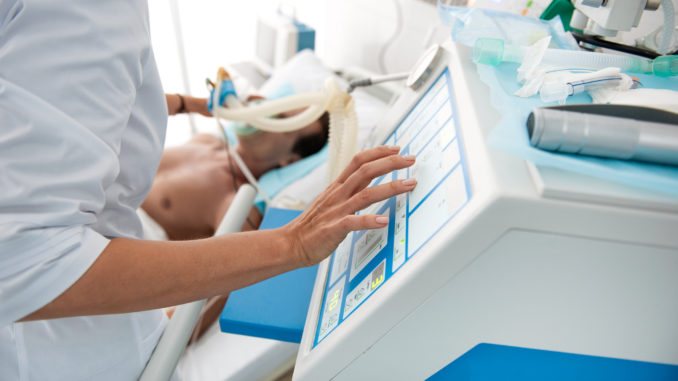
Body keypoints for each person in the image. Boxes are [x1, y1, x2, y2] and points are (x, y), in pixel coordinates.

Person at [0, 1, 416, 380]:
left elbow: (211, 290)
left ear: (289, 158)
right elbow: (91, 105)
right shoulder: (207, 142)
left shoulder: (238, 202)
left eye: (286, 116)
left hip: (102, 275)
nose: (269, 110)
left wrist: (292, 242)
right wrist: (190, 103)